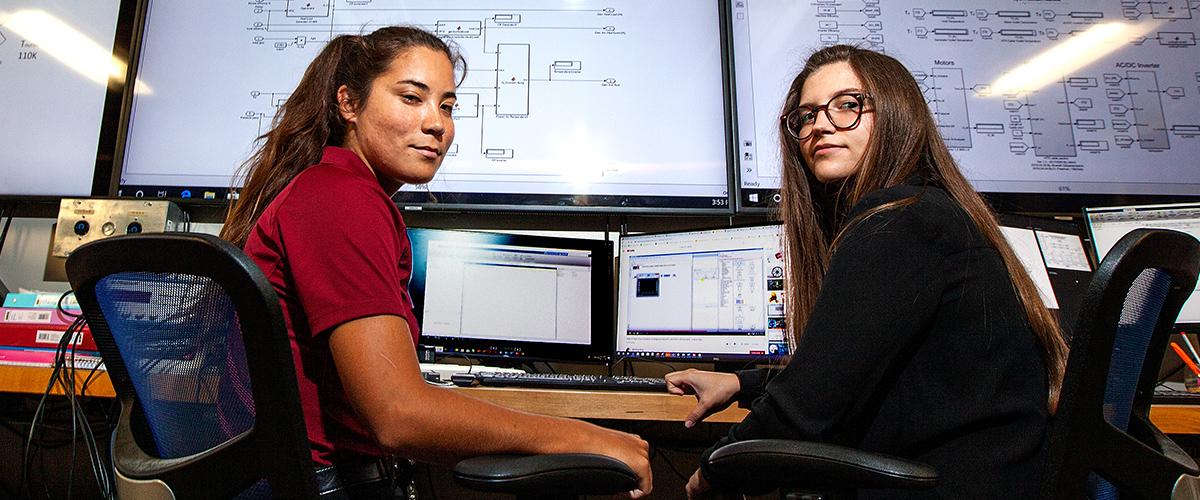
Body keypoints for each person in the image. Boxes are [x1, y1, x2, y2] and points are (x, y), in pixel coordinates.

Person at [219, 27, 651, 499]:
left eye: (447, 106)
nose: (437, 124)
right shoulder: (339, 198)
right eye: (411, 98)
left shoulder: (333, 192)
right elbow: (399, 415)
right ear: (349, 104)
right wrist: (584, 437)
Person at [666, 45, 1068, 499]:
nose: (819, 124)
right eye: (806, 116)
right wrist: (745, 382)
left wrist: (714, 471)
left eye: (848, 105)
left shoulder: (898, 221)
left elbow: (806, 411)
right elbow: (854, 369)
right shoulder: (930, 211)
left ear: (896, 113)